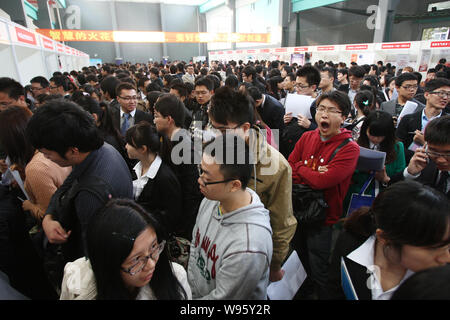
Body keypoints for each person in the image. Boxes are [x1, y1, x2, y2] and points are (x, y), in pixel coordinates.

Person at [26, 100, 133, 268]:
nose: (47, 159)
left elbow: (92, 256)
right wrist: (49, 216)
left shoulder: (90, 195)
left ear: (72, 151)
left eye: (48, 154)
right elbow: (66, 186)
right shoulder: (99, 149)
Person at [207, 86, 297, 283]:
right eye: (212, 127)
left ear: (245, 128)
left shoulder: (275, 165)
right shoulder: (215, 150)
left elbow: (282, 222)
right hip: (216, 241)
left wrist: (274, 264)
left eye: (223, 130)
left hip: (251, 251)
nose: (216, 135)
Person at [288, 90, 360, 299]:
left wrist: (301, 168)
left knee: (320, 266)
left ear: (344, 117)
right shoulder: (307, 136)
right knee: (298, 257)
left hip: (324, 218)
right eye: (320, 109)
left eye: (331, 110)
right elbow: (289, 166)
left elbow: (324, 181)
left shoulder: (349, 148)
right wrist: (306, 169)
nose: (324, 115)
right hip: (298, 209)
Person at [327, 180, 450, 300]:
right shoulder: (352, 244)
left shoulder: (441, 286)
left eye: (447, 246)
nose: (446, 258)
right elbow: (333, 290)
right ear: (384, 238)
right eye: (433, 248)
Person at [187, 134, 272, 299]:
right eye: (200, 171)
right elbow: (195, 249)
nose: (199, 180)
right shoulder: (212, 199)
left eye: (206, 177)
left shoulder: (248, 247)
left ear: (234, 185)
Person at [60, 199, 191, 300]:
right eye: (136, 259)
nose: (151, 265)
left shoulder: (176, 277)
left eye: (154, 247)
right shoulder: (76, 279)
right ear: (110, 263)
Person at [153, 94, 203, 240]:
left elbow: (191, 190)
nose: (154, 120)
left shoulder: (182, 145)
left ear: (169, 120)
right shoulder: (172, 139)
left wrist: (183, 227)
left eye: (156, 116)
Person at [125, 121, 183, 236]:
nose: (126, 146)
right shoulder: (136, 167)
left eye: (129, 144)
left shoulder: (165, 178)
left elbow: (170, 217)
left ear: (143, 149)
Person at [343, 111, 406, 215]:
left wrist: (385, 179)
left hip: (383, 199)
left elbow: (400, 177)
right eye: (372, 135)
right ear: (365, 130)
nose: (376, 139)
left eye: (381, 136)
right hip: (355, 195)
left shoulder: (398, 148)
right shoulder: (355, 145)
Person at [391, 115, 450, 198]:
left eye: (447, 154)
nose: (440, 160)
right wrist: (409, 173)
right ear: (425, 145)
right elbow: (392, 192)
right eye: (434, 151)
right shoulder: (422, 164)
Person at [396, 78, 450, 164]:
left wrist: (424, 143)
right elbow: (398, 148)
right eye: (441, 93)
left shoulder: (447, 123)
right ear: (427, 95)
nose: (445, 98)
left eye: (448, 94)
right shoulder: (408, 119)